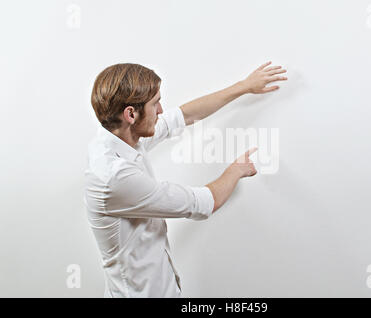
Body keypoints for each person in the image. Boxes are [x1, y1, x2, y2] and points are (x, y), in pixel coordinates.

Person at [84, 61, 288, 297]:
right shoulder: (114, 177)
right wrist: (237, 169)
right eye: (155, 103)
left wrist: (244, 86)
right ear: (130, 114)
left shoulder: (120, 138)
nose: (160, 110)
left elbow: (182, 116)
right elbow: (202, 202)